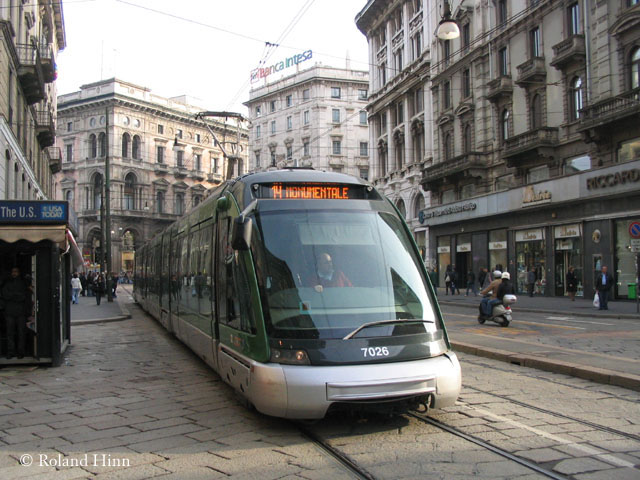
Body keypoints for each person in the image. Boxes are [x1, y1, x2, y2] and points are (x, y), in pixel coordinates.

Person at [1, 267, 31, 358]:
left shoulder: (22, 284)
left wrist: (12, 296)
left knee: (20, 333)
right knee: (10, 333)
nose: (14, 273)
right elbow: (5, 295)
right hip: (11, 312)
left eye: (16, 272)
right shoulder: (8, 284)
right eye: (13, 272)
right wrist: (17, 296)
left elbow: (24, 296)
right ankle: (11, 352)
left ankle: (20, 352)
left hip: (19, 312)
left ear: (19, 273)